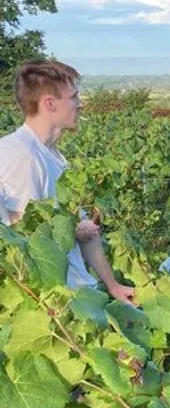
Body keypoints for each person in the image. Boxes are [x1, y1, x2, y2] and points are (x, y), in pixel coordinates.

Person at [0, 60, 136, 304]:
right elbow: (22, 231)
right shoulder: (21, 155)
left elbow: (86, 234)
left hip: (79, 290)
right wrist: (76, 228)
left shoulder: (53, 157)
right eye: (73, 97)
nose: (80, 104)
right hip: (54, 301)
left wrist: (114, 286)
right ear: (50, 104)